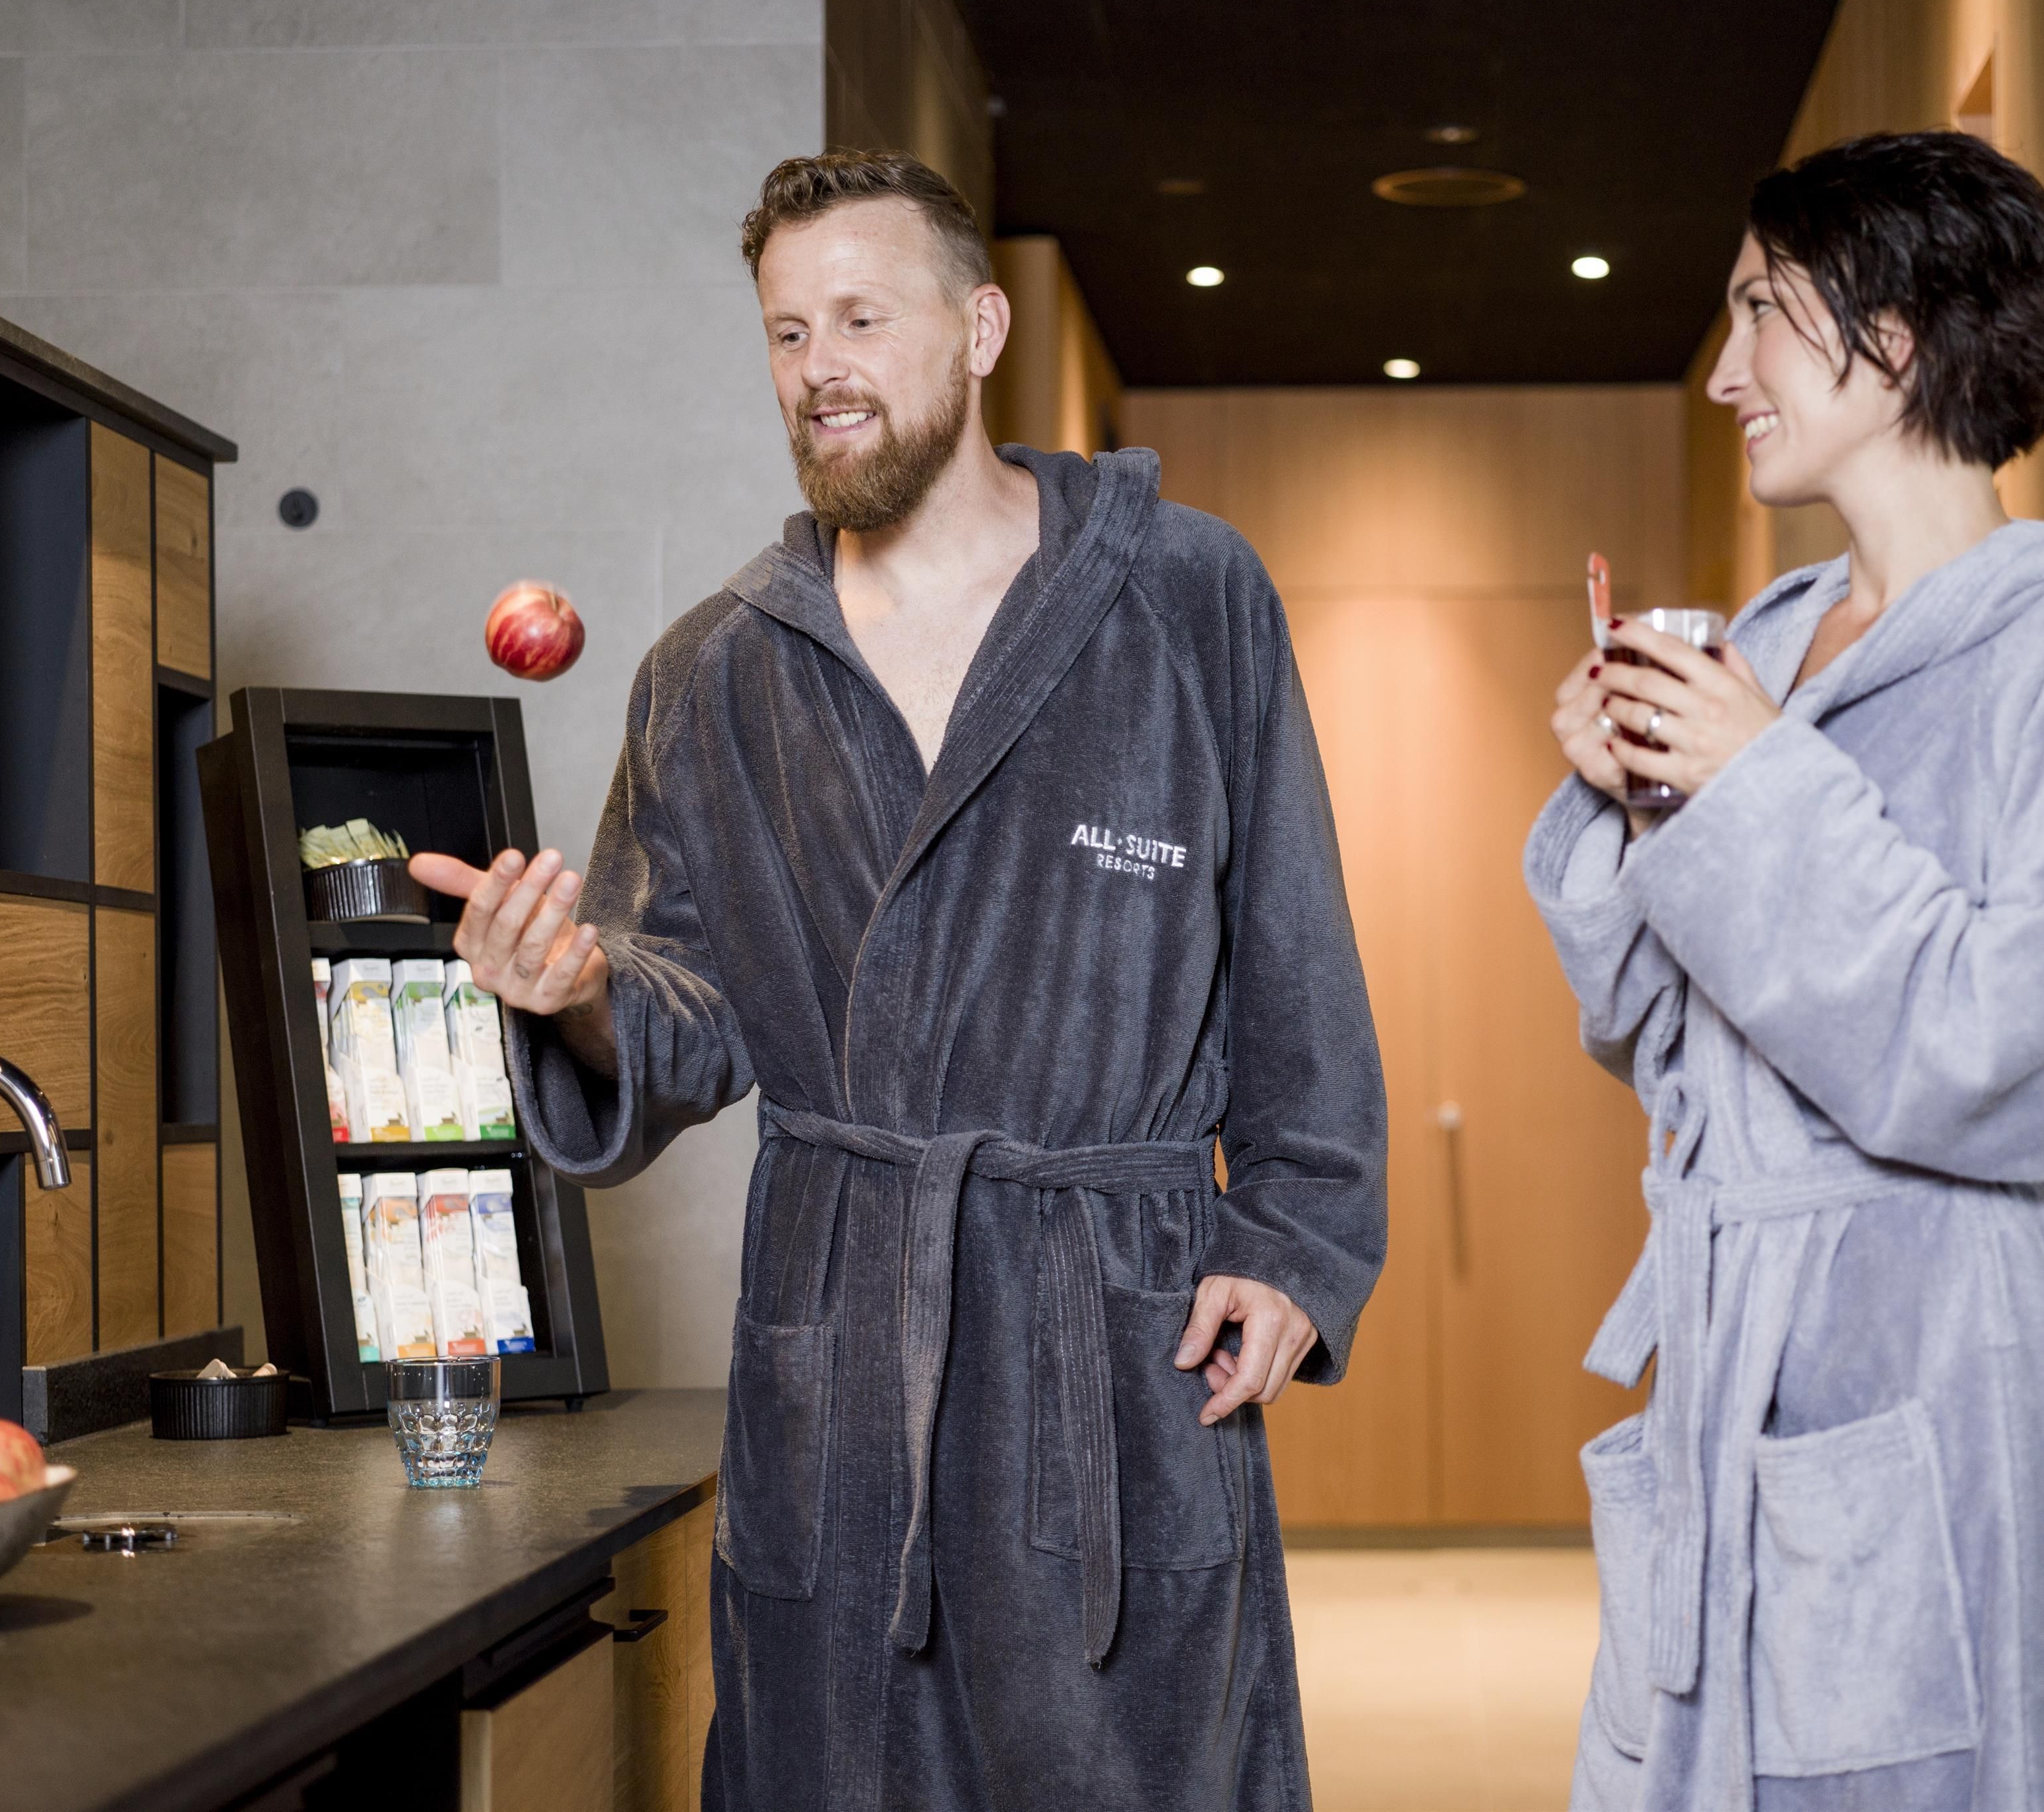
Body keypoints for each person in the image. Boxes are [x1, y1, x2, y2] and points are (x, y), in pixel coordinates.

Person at [412, 149, 1386, 1811]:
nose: (820, 370)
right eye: (788, 332)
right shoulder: (716, 669)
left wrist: (1293, 1242)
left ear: (980, 328)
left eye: (861, 318)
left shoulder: (1182, 595)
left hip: (1111, 1348)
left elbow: (1294, 952)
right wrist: (565, 989)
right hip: (846, 1351)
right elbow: (685, 1010)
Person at [1527, 131, 2044, 1811]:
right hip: (1730, 1331)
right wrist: (1623, 806)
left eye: (1759, 311)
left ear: (1891, 335)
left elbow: (2017, 1059)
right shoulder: (1765, 637)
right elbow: (1662, 1039)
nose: (1721, 371)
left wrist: (1753, 783)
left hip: (1943, 1346)